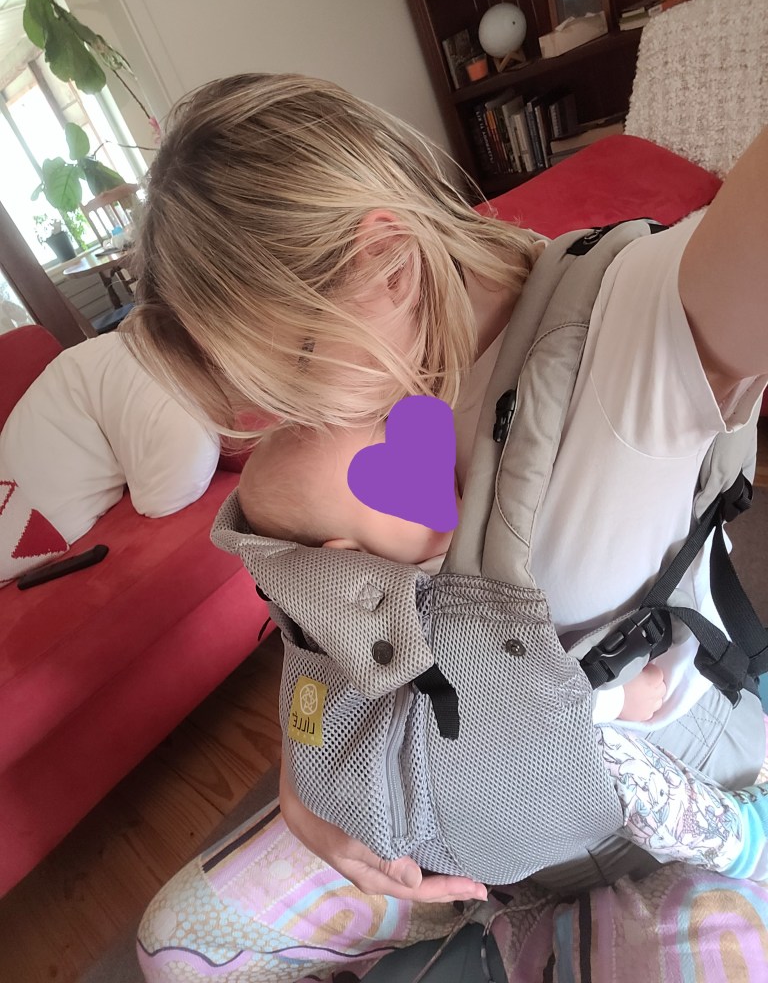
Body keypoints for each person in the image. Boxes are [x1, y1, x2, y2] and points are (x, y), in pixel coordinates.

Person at [125, 73, 768, 982]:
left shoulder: (641, 325)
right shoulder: (330, 460)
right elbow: (326, 650)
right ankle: (501, 925)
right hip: (449, 816)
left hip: (657, 823)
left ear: (387, 258)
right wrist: (306, 786)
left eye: (297, 371)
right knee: (176, 946)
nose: (302, 420)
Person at [235, 423, 768, 881]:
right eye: (400, 478)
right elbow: (511, 710)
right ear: (350, 555)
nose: (436, 463)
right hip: (484, 788)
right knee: (614, 763)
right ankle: (730, 837)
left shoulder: (335, 591)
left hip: (444, 790)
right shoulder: (420, 621)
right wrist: (614, 700)